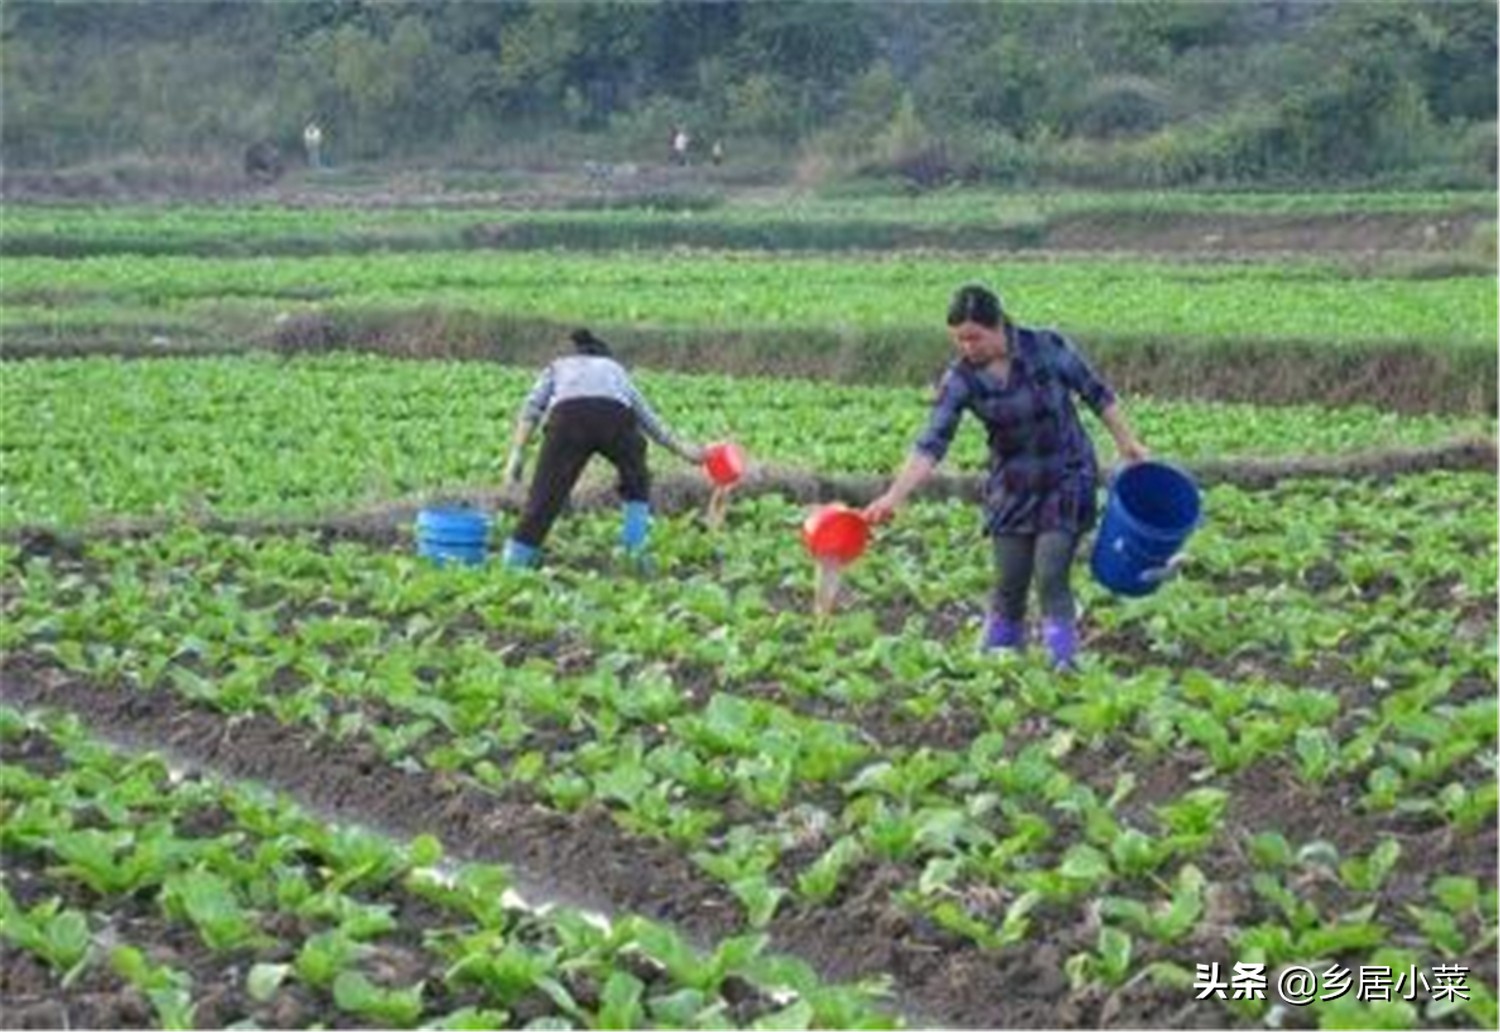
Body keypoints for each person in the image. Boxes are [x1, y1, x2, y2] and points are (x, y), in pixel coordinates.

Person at [864, 284, 1149, 670]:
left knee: (1050, 574)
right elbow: (932, 443)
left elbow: (1097, 394)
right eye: (959, 340)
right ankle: (1000, 668)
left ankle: (1063, 663)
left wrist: (1128, 444)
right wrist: (893, 497)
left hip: (1066, 474)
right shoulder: (961, 379)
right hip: (1012, 484)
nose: (967, 347)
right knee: (1010, 582)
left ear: (998, 325)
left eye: (974, 337)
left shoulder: (1046, 347)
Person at [500, 328, 706, 569]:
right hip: (614, 418)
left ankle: (516, 560)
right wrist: (684, 450)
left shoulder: (558, 366)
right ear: (605, 357)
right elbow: (648, 419)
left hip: (569, 419)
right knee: (637, 478)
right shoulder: (615, 370)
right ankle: (634, 551)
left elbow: (532, 409)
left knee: (544, 495)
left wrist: (516, 455)